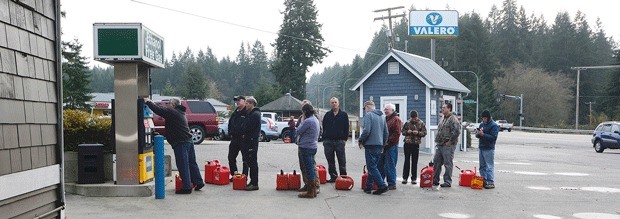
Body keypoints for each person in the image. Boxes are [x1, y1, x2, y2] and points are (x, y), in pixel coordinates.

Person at [144, 97, 204, 194]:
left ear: (173, 105)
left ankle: (187, 187)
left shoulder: (173, 112)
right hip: (188, 141)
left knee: (183, 164)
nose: (168, 105)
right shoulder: (181, 112)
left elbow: (159, 110)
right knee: (191, 163)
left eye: (169, 103)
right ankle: (198, 182)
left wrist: (148, 102)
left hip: (181, 142)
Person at [358, 100, 389, 195]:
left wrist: (360, 140)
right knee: (373, 166)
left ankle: (381, 185)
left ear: (367, 107)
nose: (365, 111)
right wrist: (383, 144)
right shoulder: (382, 116)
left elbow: (367, 130)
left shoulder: (369, 115)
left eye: (365, 109)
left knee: (371, 167)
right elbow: (386, 133)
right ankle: (368, 186)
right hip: (379, 144)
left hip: (370, 144)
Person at [321, 97, 350, 182]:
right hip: (328, 141)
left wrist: (344, 139)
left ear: (338, 103)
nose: (334, 104)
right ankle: (333, 176)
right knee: (330, 161)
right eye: (332, 102)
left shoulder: (344, 115)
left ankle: (343, 177)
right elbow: (324, 126)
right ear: (330, 104)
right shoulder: (327, 115)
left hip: (339, 141)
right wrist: (324, 139)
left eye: (335, 102)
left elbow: (346, 127)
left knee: (342, 160)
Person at [433, 102, 461, 188]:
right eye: (442, 108)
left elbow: (457, 131)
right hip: (440, 144)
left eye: (444, 108)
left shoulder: (453, 119)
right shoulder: (443, 118)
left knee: (447, 163)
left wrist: (450, 141)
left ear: (449, 109)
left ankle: (447, 181)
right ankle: (435, 180)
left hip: (448, 145)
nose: (442, 109)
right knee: (436, 162)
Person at [295, 104, 321, 198]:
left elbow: (298, 131)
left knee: (309, 169)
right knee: (312, 168)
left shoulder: (308, 121)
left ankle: (310, 191)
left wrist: (301, 123)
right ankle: (313, 189)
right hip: (313, 146)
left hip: (306, 147)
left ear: (305, 112)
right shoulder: (315, 119)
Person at [378, 103, 401, 190]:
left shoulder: (396, 119)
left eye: (387, 109)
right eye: (385, 109)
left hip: (391, 146)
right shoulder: (385, 119)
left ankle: (392, 183)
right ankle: (380, 182)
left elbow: (397, 133)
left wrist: (388, 141)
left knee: (390, 165)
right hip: (384, 146)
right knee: (381, 164)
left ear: (392, 110)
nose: (385, 111)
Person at [401, 110, 426, 185]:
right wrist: (407, 132)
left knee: (414, 162)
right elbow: (402, 132)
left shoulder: (421, 123)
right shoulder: (407, 123)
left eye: (415, 118)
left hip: (415, 144)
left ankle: (414, 178)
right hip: (407, 143)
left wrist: (418, 133)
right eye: (412, 118)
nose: (413, 120)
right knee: (406, 161)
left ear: (417, 117)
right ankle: (405, 178)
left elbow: (424, 133)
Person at [242, 97, 261, 191]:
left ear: (252, 104)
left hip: (252, 141)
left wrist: (243, 132)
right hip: (248, 140)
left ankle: (254, 183)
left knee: (252, 162)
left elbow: (248, 127)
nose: (245, 105)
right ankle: (252, 181)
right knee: (249, 161)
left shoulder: (255, 115)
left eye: (247, 103)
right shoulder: (250, 113)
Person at [476, 110, 499, 189]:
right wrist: (479, 134)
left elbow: (493, 137)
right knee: (482, 166)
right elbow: (477, 136)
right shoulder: (482, 124)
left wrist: (483, 135)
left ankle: (490, 181)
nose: (484, 120)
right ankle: (483, 180)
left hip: (489, 148)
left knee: (489, 166)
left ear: (489, 118)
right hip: (481, 147)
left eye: (485, 118)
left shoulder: (494, 126)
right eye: (483, 118)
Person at [227, 96, 248, 181]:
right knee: (231, 157)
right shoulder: (235, 112)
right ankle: (234, 174)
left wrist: (244, 134)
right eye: (236, 101)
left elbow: (248, 125)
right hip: (234, 138)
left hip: (243, 139)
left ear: (244, 101)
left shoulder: (247, 112)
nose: (237, 102)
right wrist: (230, 133)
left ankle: (244, 176)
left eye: (239, 100)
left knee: (245, 159)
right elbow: (230, 123)